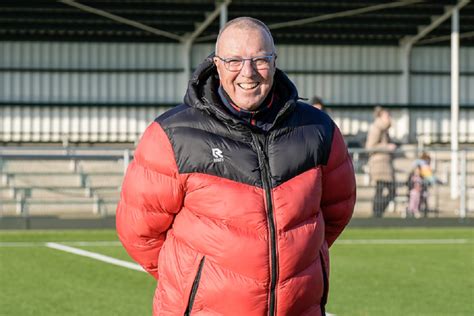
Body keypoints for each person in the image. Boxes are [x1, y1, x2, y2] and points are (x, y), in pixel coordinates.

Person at [116, 17, 356, 316]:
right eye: (234, 60)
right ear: (216, 64)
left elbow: (336, 211)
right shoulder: (173, 135)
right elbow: (139, 232)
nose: (248, 72)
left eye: (260, 59)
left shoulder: (318, 129)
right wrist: (196, 282)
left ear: (274, 61)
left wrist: (288, 271)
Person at [365, 106, 397, 218]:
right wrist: (387, 146)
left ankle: (377, 213)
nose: (389, 118)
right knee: (384, 189)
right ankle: (376, 214)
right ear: (380, 117)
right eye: (387, 116)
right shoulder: (376, 128)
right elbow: (370, 146)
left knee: (387, 190)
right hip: (379, 164)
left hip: (385, 164)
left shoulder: (384, 130)